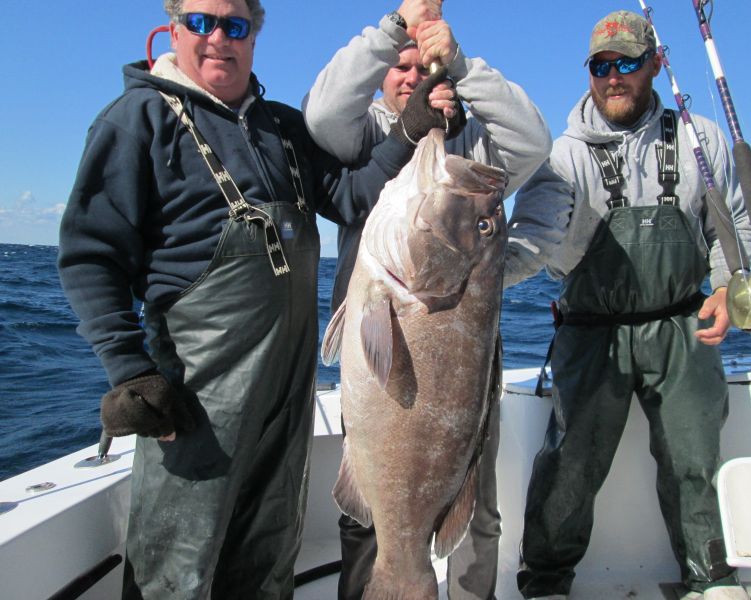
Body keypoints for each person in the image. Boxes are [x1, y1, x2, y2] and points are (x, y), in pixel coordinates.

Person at [57, 0, 454, 598]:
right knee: (178, 569)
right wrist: (130, 372)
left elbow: (349, 198)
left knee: (269, 559)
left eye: (234, 25)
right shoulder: (136, 120)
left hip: (285, 399)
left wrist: (410, 128)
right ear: (173, 28)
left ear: (253, 35)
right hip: (195, 406)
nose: (218, 37)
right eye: (200, 22)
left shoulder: (282, 128)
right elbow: (91, 255)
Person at [302, 1, 552, 598]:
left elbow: (533, 141)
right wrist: (393, 28)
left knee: (480, 505)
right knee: (367, 521)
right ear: (382, 71)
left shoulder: (465, 149)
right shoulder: (360, 135)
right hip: (382, 361)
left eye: (426, 67)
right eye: (400, 65)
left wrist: (461, 66)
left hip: (459, 372)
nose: (412, 76)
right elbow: (321, 112)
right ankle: (392, 579)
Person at [504, 10, 751, 600]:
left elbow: (730, 225)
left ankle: (708, 578)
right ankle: (546, 582)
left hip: (683, 326)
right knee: (569, 465)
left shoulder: (702, 140)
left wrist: (727, 285)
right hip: (592, 332)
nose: (613, 76)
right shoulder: (561, 157)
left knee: (695, 457)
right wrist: (477, 276)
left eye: (628, 63)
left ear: (657, 65)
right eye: (600, 65)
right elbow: (530, 241)